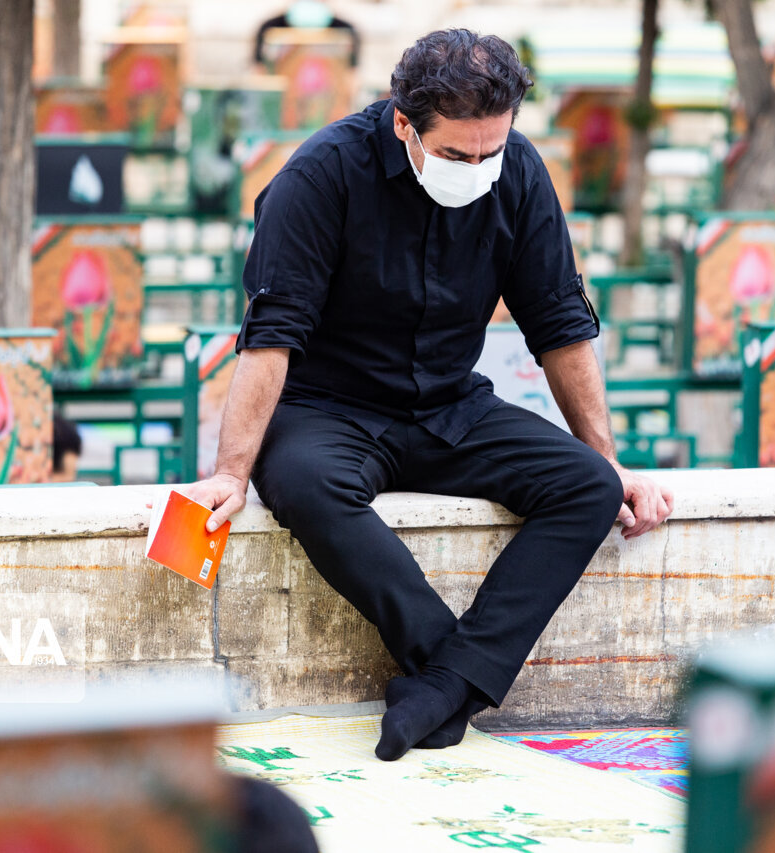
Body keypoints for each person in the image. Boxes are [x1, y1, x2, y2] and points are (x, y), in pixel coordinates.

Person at [187, 29, 673, 762]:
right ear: (403, 123)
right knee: (306, 487)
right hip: (327, 409)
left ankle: (443, 685)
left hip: (452, 406)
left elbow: (560, 325)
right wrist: (230, 472)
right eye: (455, 154)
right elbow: (270, 336)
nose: (477, 169)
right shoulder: (319, 176)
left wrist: (608, 460)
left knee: (588, 486)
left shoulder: (518, 171)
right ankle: (453, 671)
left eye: (489, 152)